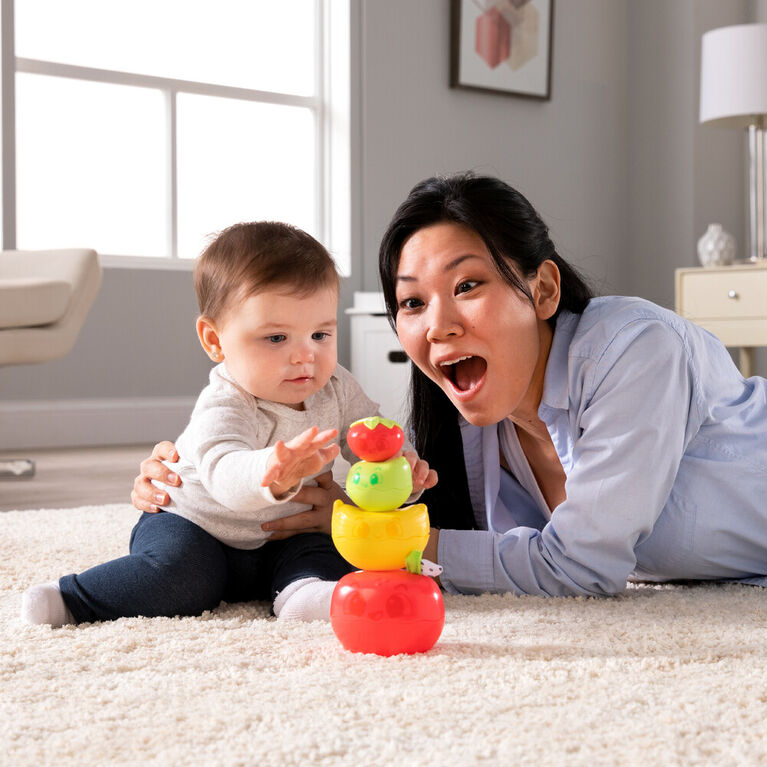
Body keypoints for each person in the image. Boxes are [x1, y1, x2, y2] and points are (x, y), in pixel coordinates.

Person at [132, 172, 767, 598]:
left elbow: (582, 566)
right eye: (411, 303)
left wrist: (374, 537)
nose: (438, 326)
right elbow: (401, 519)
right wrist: (189, 476)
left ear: (542, 289)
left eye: (468, 286)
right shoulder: (471, 420)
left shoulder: (636, 350)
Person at [22, 221, 436, 627]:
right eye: (276, 338)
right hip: (196, 527)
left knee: (325, 549)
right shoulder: (225, 400)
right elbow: (224, 470)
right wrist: (273, 473)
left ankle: (303, 593)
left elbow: (373, 433)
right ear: (214, 341)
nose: (305, 355)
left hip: (284, 534)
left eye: (320, 335)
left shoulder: (337, 387)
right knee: (182, 576)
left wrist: (402, 468)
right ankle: (70, 598)